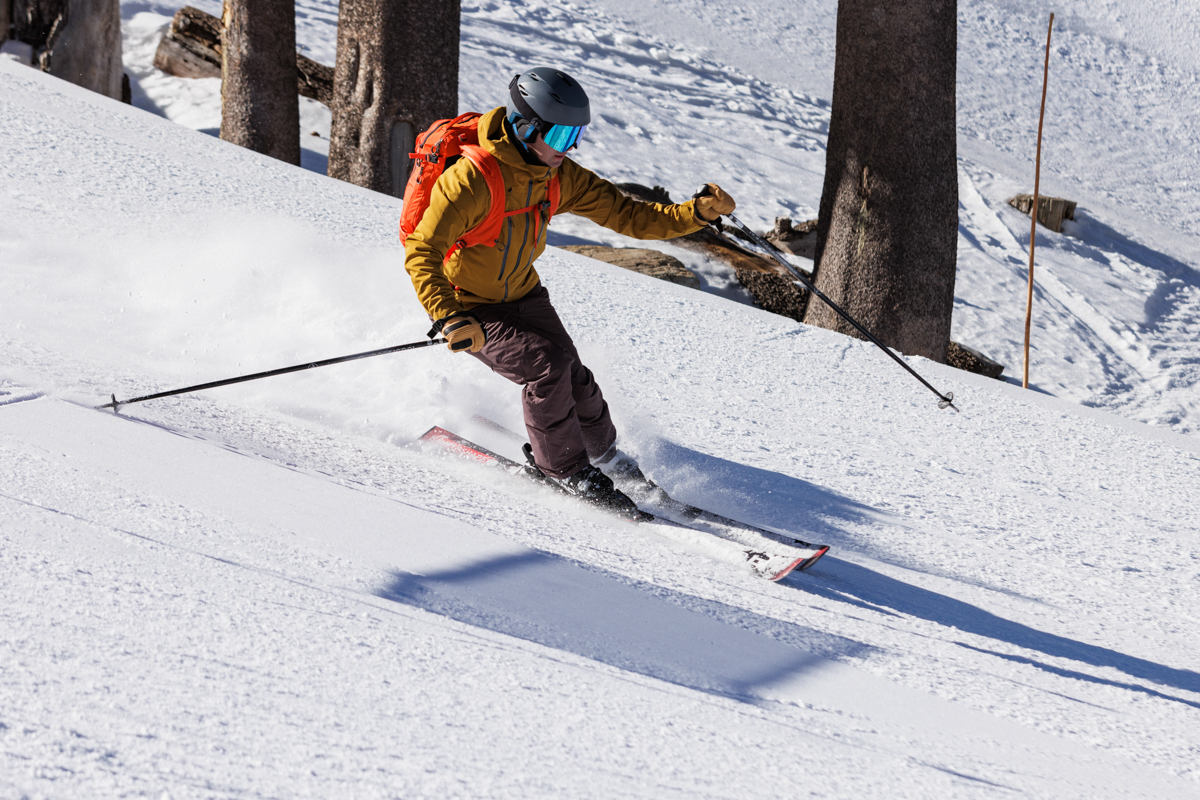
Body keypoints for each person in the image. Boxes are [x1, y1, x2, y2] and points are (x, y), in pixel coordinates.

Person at [404, 66, 736, 516]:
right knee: (547, 368)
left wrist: (695, 214)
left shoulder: (557, 176)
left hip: (523, 292)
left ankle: (603, 455)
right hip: (467, 303)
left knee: (573, 375)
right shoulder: (471, 180)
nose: (569, 148)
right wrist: (449, 316)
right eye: (560, 137)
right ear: (525, 128)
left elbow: (628, 215)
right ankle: (563, 468)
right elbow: (423, 250)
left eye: (575, 136)